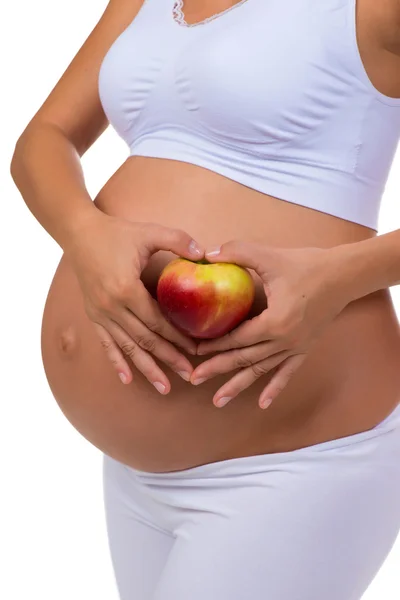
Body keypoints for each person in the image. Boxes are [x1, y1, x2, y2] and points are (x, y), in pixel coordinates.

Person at [10, 0, 400, 598]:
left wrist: (339, 277)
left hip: (292, 465)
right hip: (137, 474)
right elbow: (44, 137)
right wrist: (86, 236)